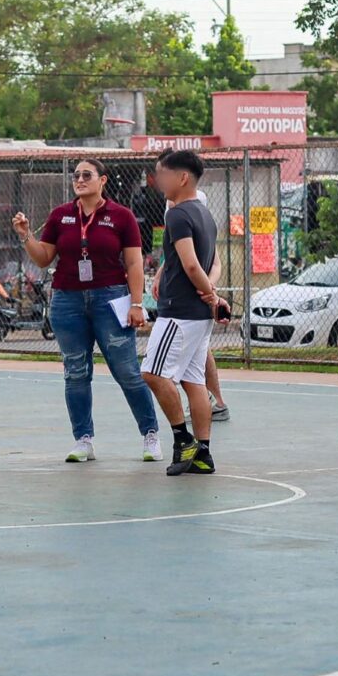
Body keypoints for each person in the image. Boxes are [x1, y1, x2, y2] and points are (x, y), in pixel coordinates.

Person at [13, 159, 162, 463]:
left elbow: (133, 263)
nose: (79, 180)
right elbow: (44, 258)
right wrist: (26, 235)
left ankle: (150, 435)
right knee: (76, 373)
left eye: (86, 175)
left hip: (111, 299)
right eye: (76, 176)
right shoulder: (61, 215)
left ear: (102, 180)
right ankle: (83, 440)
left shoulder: (122, 217)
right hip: (67, 301)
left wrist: (136, 303)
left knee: (127, 371)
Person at [141, 149, 230, 476]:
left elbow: (193, 265)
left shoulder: (177, 215)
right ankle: (203, 453)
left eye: (163, 174)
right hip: (197, 314)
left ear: (182, 178)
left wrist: (209, 296)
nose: (158, 181)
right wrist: (211, 297)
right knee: (193, 381)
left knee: (151, 372)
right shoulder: (204, 214)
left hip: (180, 313)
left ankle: (183, 439)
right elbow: (205, 263)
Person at [154, 181, 230, 422]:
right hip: (188, 302)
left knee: (154, 373)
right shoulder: (175, 212)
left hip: (186, 307)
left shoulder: (190, 213)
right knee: (193, 375)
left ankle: (188, 430)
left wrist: (209, 290)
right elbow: (179, 255)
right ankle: (203, 436)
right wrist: (159, 274)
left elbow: (203, 264)